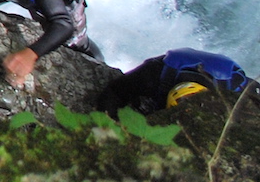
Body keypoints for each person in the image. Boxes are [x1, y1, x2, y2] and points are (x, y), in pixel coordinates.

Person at [97, 48, 252, 114]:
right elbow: (114, 91)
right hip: (172, 64)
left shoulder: (234, 88)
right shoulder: (152, 76)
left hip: (221, 72)